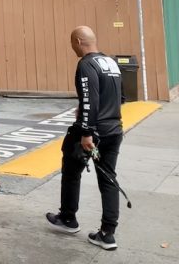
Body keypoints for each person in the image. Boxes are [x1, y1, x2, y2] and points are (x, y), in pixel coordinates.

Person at [46, 25, 124, 251]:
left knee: (71, 171)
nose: (72, 48)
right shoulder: (111, 63)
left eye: (72, 43)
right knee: (108, 179)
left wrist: (86, 132)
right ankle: (108, 234)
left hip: (93, 133)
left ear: (79, 41)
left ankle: (68, 218)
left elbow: (89, 99)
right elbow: (122, 97)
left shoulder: (86, 64)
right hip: (114, 130)